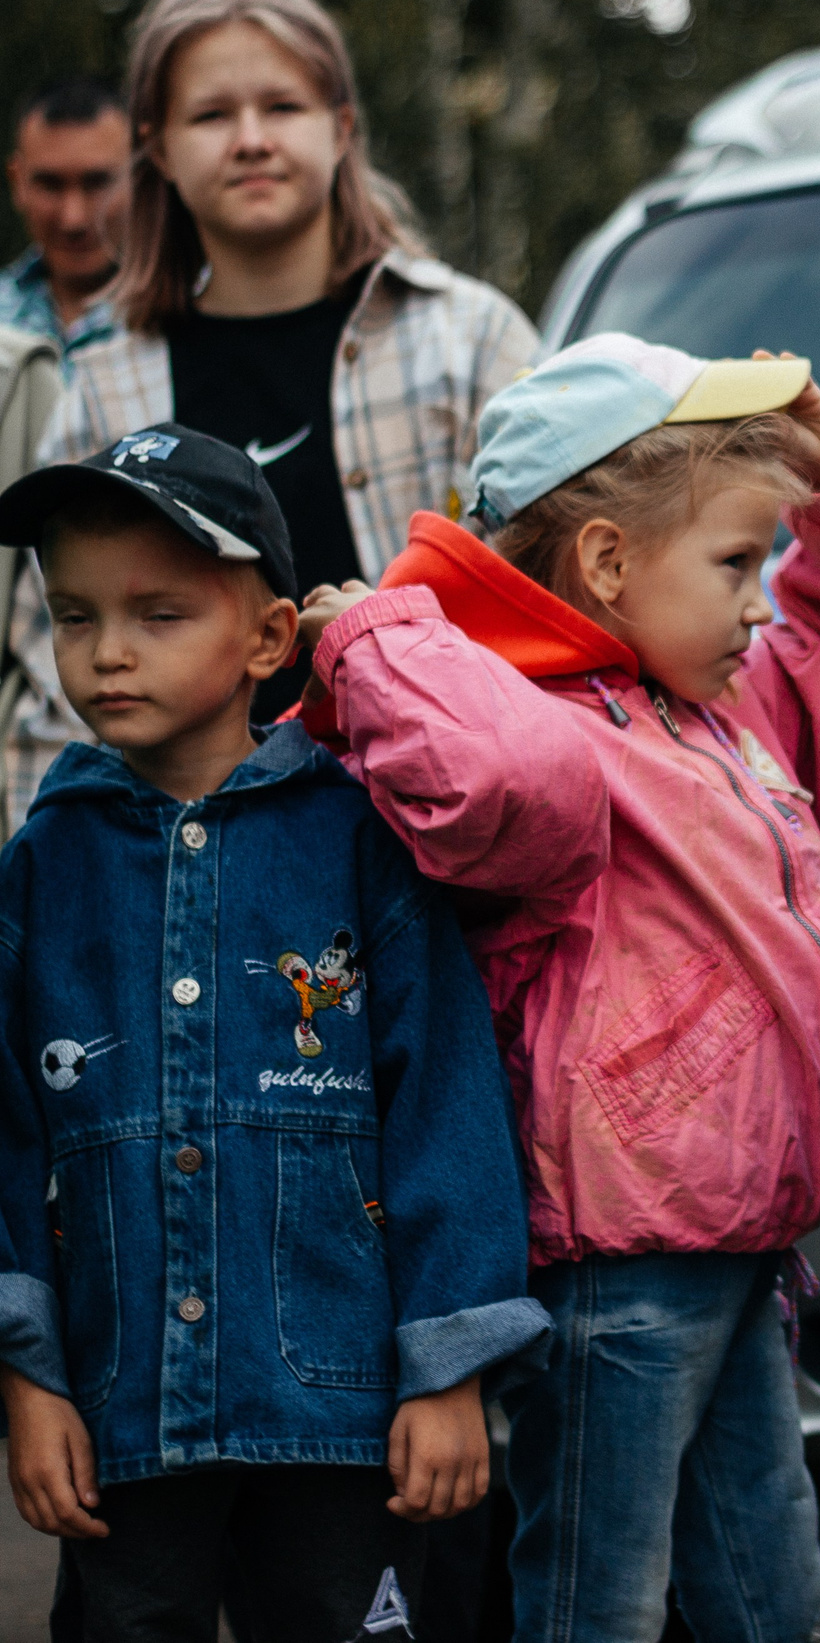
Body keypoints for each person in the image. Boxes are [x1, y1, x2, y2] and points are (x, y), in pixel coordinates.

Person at [298, 335, 820, 1641]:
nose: (765, 603)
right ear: (604, 562)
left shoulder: (724, 713)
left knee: (773, 1587)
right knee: (600, 1600)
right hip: (620, 1269)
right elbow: (507, 786)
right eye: (737, 562)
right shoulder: (545, 731)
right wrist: (384, 631)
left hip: (742, 1243)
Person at [0, 425, 543, 1639]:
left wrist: (447, 1371)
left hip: (343, 1425)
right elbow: (8, 1138)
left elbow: (446, 1104)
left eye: (157, 612)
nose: (109, 652)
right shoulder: (41, 866)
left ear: (266, 640)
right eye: (75, 617)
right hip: (121, 1419)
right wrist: (26, 1381)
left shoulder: (359, 841)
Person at [9, 0, 539, 831]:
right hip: (195, 871)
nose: (250, 140)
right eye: (212, 116)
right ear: (159, 147)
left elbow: (554, 602)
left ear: (341, 128)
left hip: (441, 844)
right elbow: (50, 672)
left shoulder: (468, 340)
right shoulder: (108, 381)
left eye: (283, 107)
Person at [3, 76, 129, 369]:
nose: (74, 219)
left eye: (97, 184)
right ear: (17, 182)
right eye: (50, 185)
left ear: (141, 179)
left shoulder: (187, 321)